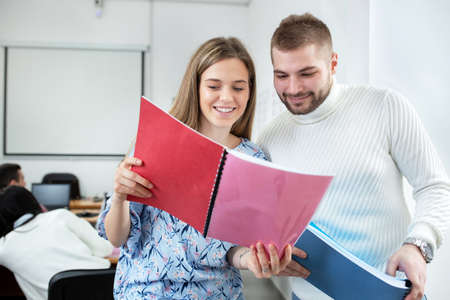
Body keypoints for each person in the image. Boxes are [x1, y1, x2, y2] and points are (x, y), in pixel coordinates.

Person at [257, 13, 450, 300]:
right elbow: (268, 222)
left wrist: (418, 246)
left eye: (307, 73)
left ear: (333, 63)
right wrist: (269, 254)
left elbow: (433, 186)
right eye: (281, 75)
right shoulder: (269, 139)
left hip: (389, 290)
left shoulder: (385, 107)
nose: (293, 88)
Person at [97, 37, 293, 300]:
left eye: (238, 87)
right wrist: (120, 196)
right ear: (196, 87)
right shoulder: (157, 142)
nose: (227, 97)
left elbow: (231, 251)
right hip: (146, 291)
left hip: (217, 293)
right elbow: (117, 238)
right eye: (214, 86)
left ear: (250, 92)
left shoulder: (253, 158)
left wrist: (252, 259)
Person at [0, 186, 113, 300]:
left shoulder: (4, 248)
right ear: (33, 201)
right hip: (102, 290)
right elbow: (105, 249)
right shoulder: (60, 215)